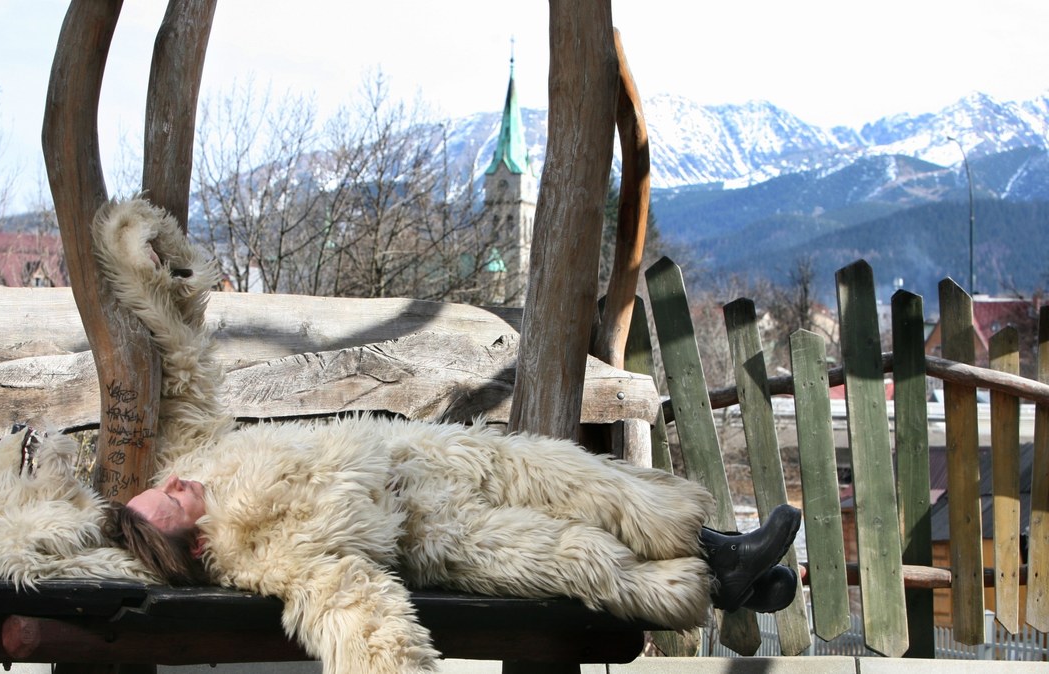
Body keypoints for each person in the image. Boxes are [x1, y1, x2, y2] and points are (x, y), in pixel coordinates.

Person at [90, 199, 802, 672]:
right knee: (577, 552)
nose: (177, 484)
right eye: (174, 504)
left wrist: (146, 277)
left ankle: (727, 558)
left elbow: (185, 374)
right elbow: (346, 610)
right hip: (441, 528)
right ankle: (724, 579)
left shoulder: (201, 461)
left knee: (588, 480)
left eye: (163, 487)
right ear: (200, 542)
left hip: (439, 456)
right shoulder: (262, 551)